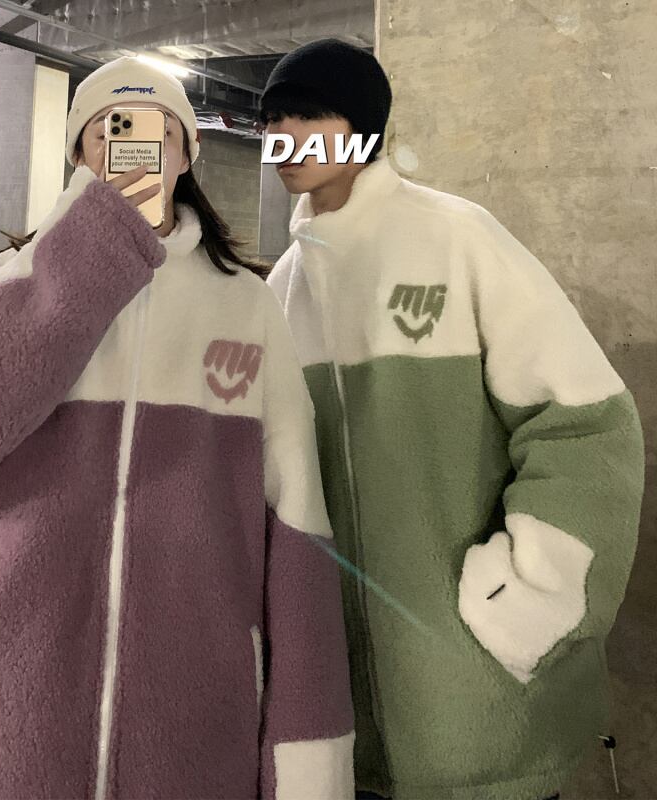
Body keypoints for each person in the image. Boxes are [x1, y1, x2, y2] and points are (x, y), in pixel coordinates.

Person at [0, 56, 355, 800]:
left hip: (191, 737)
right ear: (77, 156)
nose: (130, 146)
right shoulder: (5, 283)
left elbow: (297, 529)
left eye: (156, 130)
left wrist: (306, 759)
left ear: (187, 154)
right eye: (108, 129)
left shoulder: (246, 307)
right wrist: (80, 260)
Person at [261, 38, 644, 800]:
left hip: (483, 712)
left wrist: (524, 603)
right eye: (273, 119)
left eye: (309, 115)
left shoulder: (458, 238)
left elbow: (588, 427)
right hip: (346, 732)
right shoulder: (282, 288)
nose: (285, 136)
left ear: (363, 128)